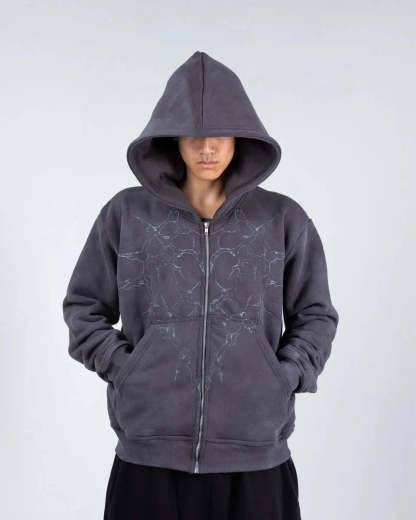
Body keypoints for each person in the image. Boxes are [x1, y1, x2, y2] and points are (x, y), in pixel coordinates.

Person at [62, 50, 339, 519]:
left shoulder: (281, 219)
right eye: (193, 135)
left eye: (219, 135)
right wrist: (128, 371)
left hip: (256, 457)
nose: (207, 148)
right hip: (149, 458)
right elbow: (83, 307)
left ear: (240, 138)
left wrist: (283, 377)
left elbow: (316, 315)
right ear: (172, 139)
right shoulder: (127, 214)